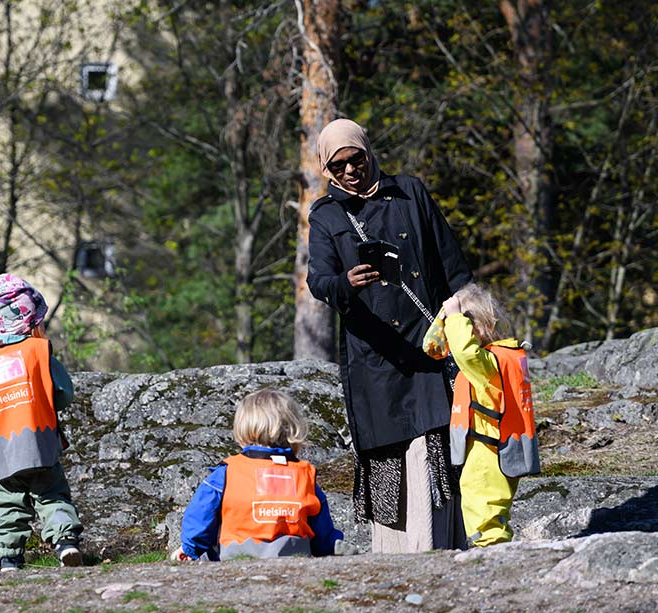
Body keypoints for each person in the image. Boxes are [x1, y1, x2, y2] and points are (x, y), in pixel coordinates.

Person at [307, 118, 472, 552]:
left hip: (428, 342)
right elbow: (318, 281)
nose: (349, 171)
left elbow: (451, 261)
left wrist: (468, 314)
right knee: (389, 454)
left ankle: (445, 547)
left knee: (436, 444)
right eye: (338, 165)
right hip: (376, 354)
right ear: (327, 169)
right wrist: (347, 281)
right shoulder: (327, 216)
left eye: (356, 159)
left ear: (368, 152)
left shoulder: (410, 192)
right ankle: (395, 558)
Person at [0, 273, 84, 571]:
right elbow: (64, 394)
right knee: (51, 495)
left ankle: (9, 558)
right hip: (39, 442)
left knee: (6, 503)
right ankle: (65, 544)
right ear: (32, 319)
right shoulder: (39, 353)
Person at [171, 389, 346, 561]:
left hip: (235, 554)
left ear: (243, 429)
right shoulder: (304, 474)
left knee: (207, 552)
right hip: (295, 554)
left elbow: (202, 512)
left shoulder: (227, 472)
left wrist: (190, 548)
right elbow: (321, 527)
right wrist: (329, 545)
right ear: (294, 429)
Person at [440, 283, 540, 546]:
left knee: (485, 506)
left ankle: (492, 552)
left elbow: (465, 353)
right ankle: (489, 547)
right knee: (486, 505)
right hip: (499, 448)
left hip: (489, 453)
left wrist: (453, 317)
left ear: (477, 328)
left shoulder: (487, 364)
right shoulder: (503, 357)